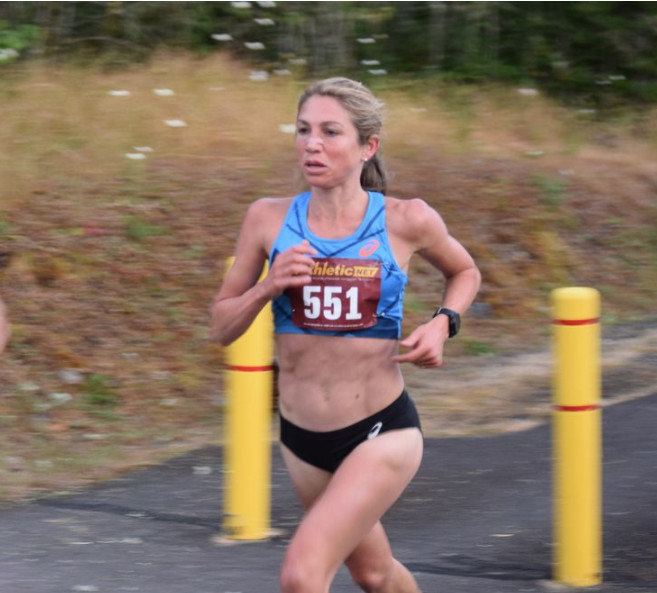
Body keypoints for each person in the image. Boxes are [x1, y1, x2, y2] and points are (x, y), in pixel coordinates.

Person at [211, 77, 481, 593]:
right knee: (375, 575)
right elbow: (222, 327)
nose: (311, 144)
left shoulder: (406, 219)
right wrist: (268, 286)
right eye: (303, 130)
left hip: (381, 431)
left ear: (367, 146)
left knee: (302, 575)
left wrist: (442, 323)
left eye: (330, 132)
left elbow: (465, 271)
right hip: (302, 439)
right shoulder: (267, 219)